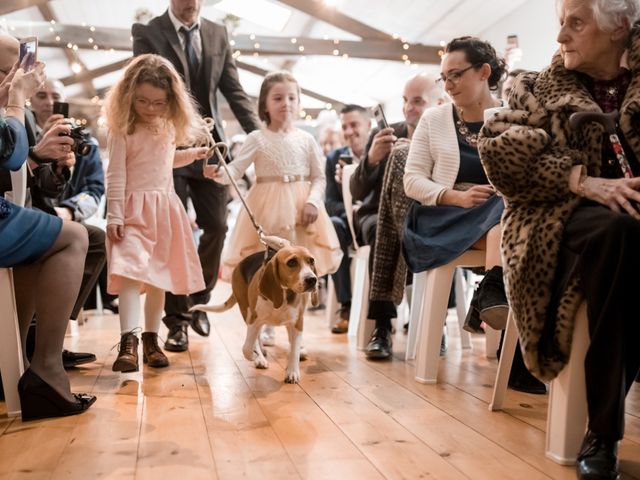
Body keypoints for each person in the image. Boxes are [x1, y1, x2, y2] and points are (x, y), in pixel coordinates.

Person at [479, 1, 640, 477]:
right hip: (556, 224)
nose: (561, 37)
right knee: (620, 232)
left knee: (629, 237)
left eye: (576, 23)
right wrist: (580, 181)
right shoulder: (535, 87)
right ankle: (604, 431)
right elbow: (499, 156)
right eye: (561, 23)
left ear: (618, 31)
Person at [132, 0, 261, 352]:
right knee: (172, 235)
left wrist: (261, 137)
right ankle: (177, 323)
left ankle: (198, 300)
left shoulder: (218, 33)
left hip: (209, 143)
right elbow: (137, 87)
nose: (190, 3)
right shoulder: (148, 32)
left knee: (217, 225)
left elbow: (233, 90)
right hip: (166, 146)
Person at [0, 58, 95, 420]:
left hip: (25, 207)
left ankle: (16, 359)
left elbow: (53, 185)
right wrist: (13, 99)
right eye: (12, 70)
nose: (24, 79)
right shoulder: (16, 108)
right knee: (75, 239)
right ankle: (47, 368)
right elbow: (9, 154)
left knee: (48, 241)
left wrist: (53, 164)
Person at [104, 54, 211, 372]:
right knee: (129, 275)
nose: (150, 108)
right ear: (128, 96)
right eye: (143, 101)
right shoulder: (122, 128)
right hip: (132, 210)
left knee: (157, 278)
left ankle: (152, 339)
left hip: (164, 210)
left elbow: (164, 161)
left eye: (158, 103)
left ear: (171, 101)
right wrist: (114, 215)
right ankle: (129, 341)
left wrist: (192, 154)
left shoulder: (166, 127)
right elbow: (117, 174)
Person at [401, 36, 507, 354]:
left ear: (484, 71)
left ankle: (494, 293)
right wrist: (454, 196)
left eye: (456, 75)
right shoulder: (434, 119)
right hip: (441, 218)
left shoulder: (512, 115)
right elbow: (412, 180)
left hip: (498, 220)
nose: (448, 85)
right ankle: (495, 299)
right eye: (444, 77)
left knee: (509, 212)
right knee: (510, 214)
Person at [204, 70, 342, 302]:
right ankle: (265, 311)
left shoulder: (306, 140)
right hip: (266, 207)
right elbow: (235, 171)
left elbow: (319, 177)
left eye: (291, 98)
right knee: (267, 261)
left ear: (298, 103)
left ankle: (296, 321)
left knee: (299, 266)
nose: (285, 103)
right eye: (277, 98)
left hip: (301, 208)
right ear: (265, 105)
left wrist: (312, 202)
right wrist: (218, 173)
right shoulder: (256, 138)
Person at [348, 73, 441, 359]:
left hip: (423, 217)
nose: (408, 108)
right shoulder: (387, 135)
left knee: (439, 234)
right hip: (375, 215)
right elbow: (357, 190)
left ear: (438, 103)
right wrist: (373, 159)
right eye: (405, 100)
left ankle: (436, 327)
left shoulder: (443, 138)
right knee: (383, 229)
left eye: (417, 101)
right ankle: (382, 326)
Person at [28, 79, 106, 368]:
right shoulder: (21, 129)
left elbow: (95, 190)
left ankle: (50, 333)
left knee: (96, 239)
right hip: (27, 212)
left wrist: (69, 211)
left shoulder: (85, 142)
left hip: (61, 215)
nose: (48, 101)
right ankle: (37, 341)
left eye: (55, 96)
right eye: (41, 94)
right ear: (30, 99)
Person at [325, 104, 371, 333]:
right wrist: (348, 210)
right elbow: (329, 202)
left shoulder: (379, 152)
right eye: (345, 127)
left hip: (373, 220)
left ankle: (377, 312)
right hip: (347, 222)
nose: (349, 131)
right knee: (333, 226)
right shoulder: (334, 157)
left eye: (354, 125)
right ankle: (346, 305)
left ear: (368, 125)